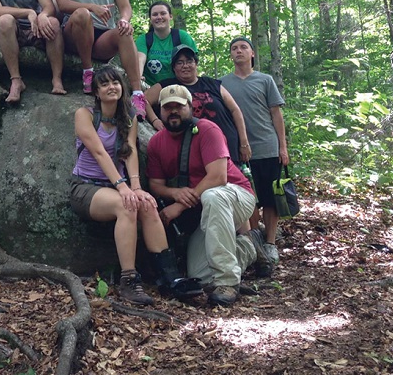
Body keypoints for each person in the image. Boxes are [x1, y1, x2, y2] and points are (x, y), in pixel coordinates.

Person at [68, 67, 191, 305]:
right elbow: (99, 152)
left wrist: (135, 187)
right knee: (126, 206)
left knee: (146, 205)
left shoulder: (129, 116)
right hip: (85, 187)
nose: (111, 87)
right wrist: (123, 187)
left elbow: (131, 151)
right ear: (96, 91)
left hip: (117, 186)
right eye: (104, 84)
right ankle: (129, 281)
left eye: (115, 82)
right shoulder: (84, 115)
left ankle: (170, 277)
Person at [147, 85, 273, 307]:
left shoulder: (207, 129)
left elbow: (218, 177)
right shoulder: (157, 142)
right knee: (201, 275)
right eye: (168, 108)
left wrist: (179, 206)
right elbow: (156, 185)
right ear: (160, 112)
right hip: (205, 207)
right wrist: (174, 193)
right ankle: (249, 246)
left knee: (213, 196)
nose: (173, 111)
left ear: (191, 107)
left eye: (179, 106)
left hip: (236, 196)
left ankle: (227, 282)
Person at [52, 0, 148, 119]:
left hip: (103, 36)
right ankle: (88, 72)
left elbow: (125, 7)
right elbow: (63, 4)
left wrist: (123, 20)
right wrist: (92, 7)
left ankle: (137, 93)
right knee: (82, 14)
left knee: (125, 31)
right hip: (75, 32)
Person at [221, 36, 289, 265]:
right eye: (234, 48)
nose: (238, 51)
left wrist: (283, 147)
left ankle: (270, 243)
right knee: (248, 198)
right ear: (231, 55)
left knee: (270, 198)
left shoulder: (265, 80)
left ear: (252, 53)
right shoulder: (222, 83)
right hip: (238, 151)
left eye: (243, 47)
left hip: (267, 147)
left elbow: (276, 115)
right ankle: (254, 240)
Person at [144, 44, 250, 165]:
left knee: (235, 183)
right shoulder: (167, 86)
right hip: (193, 152)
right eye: (179, 62)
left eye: (189, 61)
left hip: (228, 148)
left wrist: (244, 142)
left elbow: (235, 110)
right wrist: (155, 120)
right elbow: (141, 100)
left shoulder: (211, 83)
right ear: (173, 67)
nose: (185, 66)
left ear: (196, 64)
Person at [135, 1, 198, 86]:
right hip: (151, 88)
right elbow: (140, 59)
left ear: (170, 16)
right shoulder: (143, 39)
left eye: (163, 13)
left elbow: (193, 62)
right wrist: (138, 76)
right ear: (150, 19)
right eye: (155, 14)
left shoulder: (182, 36)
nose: (159, 17)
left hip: (180, 87)